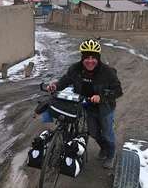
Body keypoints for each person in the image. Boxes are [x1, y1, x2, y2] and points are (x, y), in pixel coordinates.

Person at [47, 39, 123, 169]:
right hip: (86, 106)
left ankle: (110, 155)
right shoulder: (75, 69)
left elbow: (118, 91)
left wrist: (101, 97)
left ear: (98, 58)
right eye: (87, 57)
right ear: (82, 58)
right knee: (93, 133)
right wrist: (55, 86)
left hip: (105, 108)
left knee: (107, 133)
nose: (90, 61)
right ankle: (104, 148)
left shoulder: (107, 72)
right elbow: (65, 80)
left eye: (93, 58)